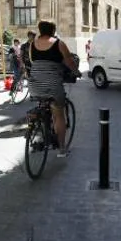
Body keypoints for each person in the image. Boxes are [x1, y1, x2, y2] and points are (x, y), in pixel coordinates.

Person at [28, 21, 81, 157]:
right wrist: (77, 72)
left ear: (40, 31)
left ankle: (39, 127)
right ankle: (62, 149)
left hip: (34, 86)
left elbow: (33, 61)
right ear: (53, 31)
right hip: (52, 85)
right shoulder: (59, 43)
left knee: (42, 103)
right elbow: (69, 61)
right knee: (59, 115)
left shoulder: (32, 44)